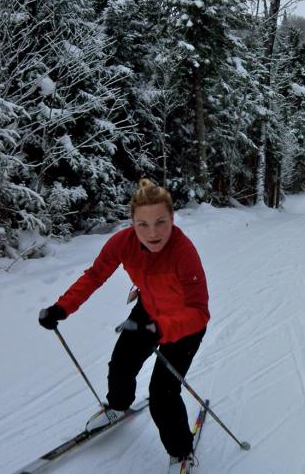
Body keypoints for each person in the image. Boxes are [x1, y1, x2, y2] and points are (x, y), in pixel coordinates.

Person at [38, 179, 209, 464]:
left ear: (172, 219)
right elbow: (95, 276)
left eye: (160, 222)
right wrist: (61, 308)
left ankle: (181, 452)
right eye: (142, 224)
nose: (152, 232)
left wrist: (161, 328)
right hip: (147, 312)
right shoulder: (122, 242)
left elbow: (199, 311)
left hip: (184, 324)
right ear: (132, 222)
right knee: (120, 365)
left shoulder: (183, 252)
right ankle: (118, 406)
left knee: (162, 394)